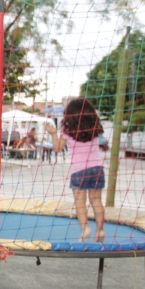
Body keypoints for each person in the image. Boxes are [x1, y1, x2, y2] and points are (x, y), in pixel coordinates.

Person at [46, 97, 106, 242]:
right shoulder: (95, 129)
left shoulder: (67, 131)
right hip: (97, 169)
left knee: (80, 202)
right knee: (96, 201)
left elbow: (58, 149)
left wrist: (54, 134)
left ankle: (85, 228)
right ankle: (100, 230)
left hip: (79, 171)